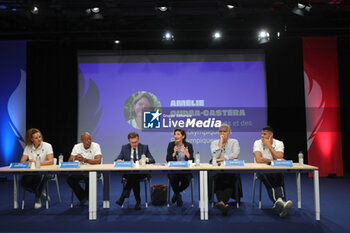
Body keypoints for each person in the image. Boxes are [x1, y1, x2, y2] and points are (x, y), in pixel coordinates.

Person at [253, 125, 293, 218]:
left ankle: (280, 203)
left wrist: (269, 146)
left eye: (265, 134)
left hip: (275, 170)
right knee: (268, 176)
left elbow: (279, 157)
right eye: (261, 134)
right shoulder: (257, 143)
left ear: (271, 135)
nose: (262, 136)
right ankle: (280, 201)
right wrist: (273, 161)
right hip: (261, 170)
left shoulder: (279, 143)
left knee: (279, 174)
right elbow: (258, 160)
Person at [115, 131, 155, 210]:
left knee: (134, 175)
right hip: (129, 173)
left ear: (138, 139)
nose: (134, 144)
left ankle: (123, 196)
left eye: (136, 142)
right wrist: (119, 161)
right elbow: (117, 159)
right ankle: (138, 202)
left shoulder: (144, 147)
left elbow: (152, 160)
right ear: (129, 141)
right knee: (134, 176)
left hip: (142, 173)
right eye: (132, 142)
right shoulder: (124, 147)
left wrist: (145, 159)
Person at [210, 123, 243, 215]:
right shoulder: (214, 143)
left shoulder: (234, 142)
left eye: (224, 131)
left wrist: (222, 158)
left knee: (230, 179)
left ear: (229, 133)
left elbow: (235, 154)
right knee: (217, 179)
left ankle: (222, 202)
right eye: (220, 131)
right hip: (219, 169)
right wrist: (220, 143)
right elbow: (214, 156)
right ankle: (223, 203)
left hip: (231, 167)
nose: (222, 133)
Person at [20, 128, 54, 209]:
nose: (39, 139)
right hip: (32, 172)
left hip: (46, 172)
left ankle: (37, 198)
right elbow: (22, 162)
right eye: (36, 138)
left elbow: (51, 161)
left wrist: (36, 163)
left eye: (40, 137)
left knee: (39, 177)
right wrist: (28, 162)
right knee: (22, 182)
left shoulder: (47, 146)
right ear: (31, 139)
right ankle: (41, 193)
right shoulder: (28, 147)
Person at [66, 132, 102, 206]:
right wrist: (75, 157)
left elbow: (98, 161)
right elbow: (69, 161)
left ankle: (85, 197)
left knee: (88, 177)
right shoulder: (77, 147)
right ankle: (83, 197)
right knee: (70, 179)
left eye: (90, 139)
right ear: (82, 140)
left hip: (93, 171)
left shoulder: (96, 146)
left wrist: (85, 160)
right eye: (86, 139)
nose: (89, 141)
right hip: (80, 170)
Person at [166, 128, 194, 207]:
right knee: (172, 177)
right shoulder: (171, 145)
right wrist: (173, 154)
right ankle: (178, 196)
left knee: (186, 181)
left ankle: (176, 193)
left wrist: (187, 154)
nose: (176, 136)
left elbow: (192, 160)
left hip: (185, 170)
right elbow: (168, 159)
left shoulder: (188, 145)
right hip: (174, 170)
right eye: (175, 134)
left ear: (183, 136)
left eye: (178, 134)